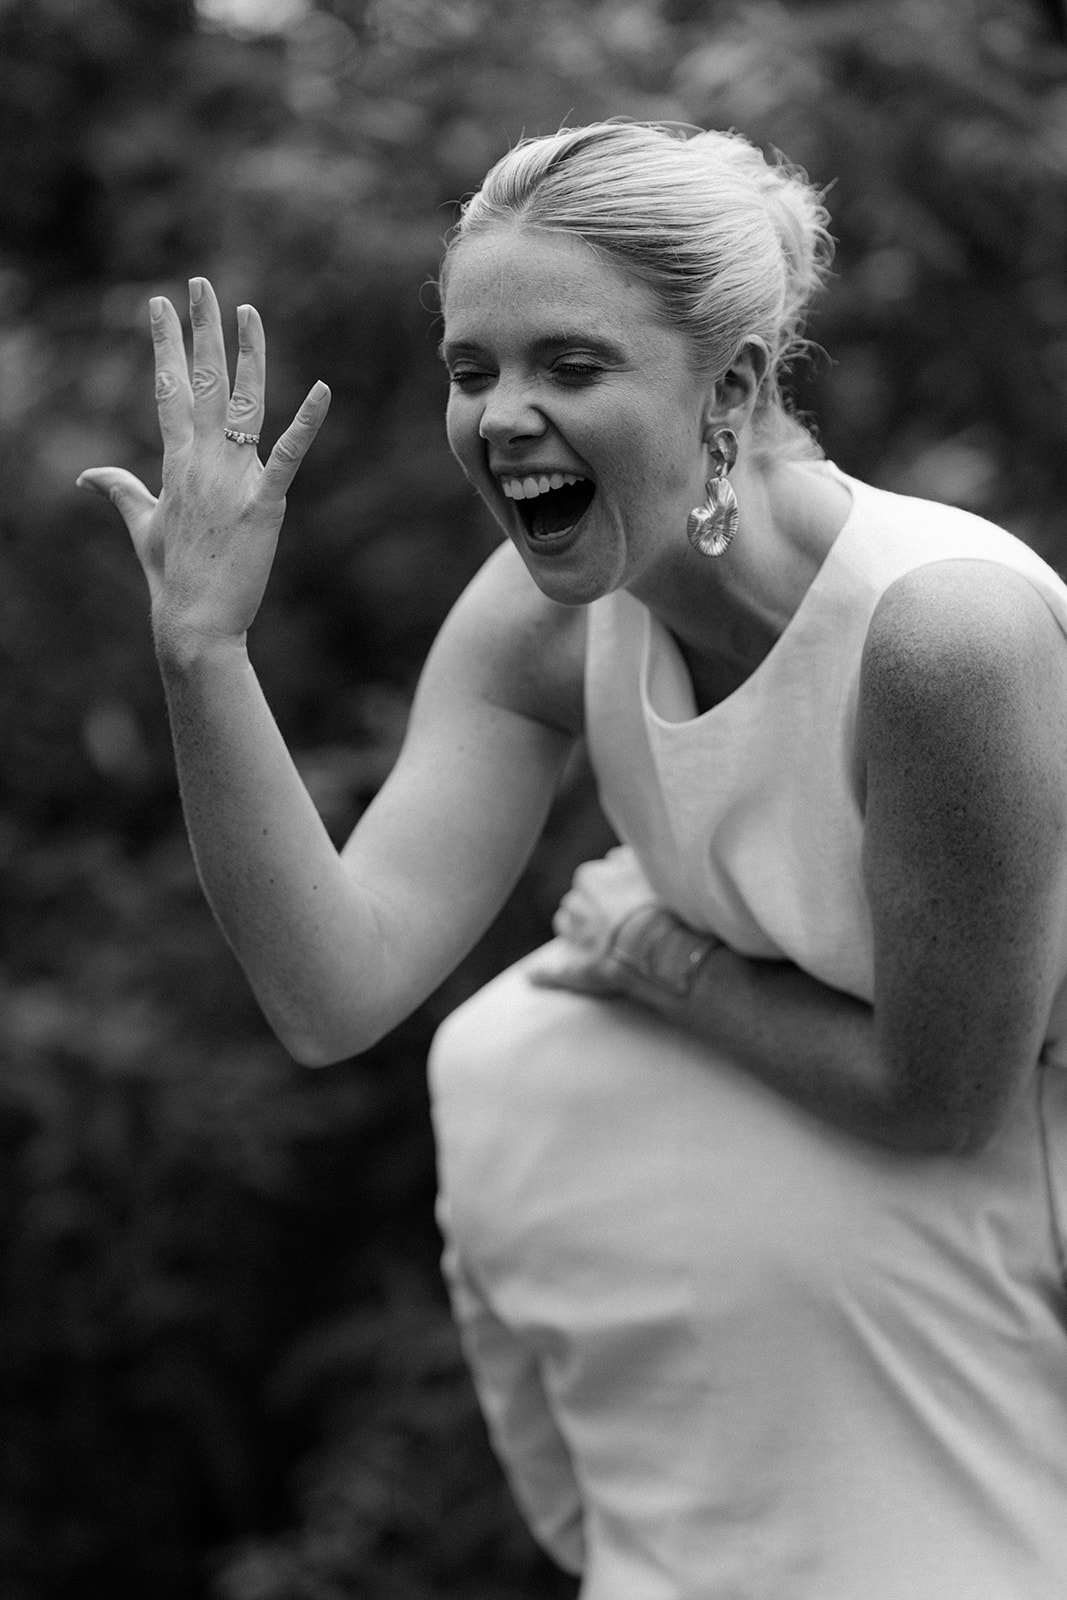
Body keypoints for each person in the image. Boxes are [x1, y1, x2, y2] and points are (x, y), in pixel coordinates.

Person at [78, 120, 1067, 1598]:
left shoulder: (946, 638)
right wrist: (204, 651)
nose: (503, 418)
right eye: (472, 371)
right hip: (854, 1264)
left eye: (572, 366)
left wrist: (658, 959)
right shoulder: (541, 621)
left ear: (732, 387)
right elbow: (332, 992)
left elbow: (942, 1098)